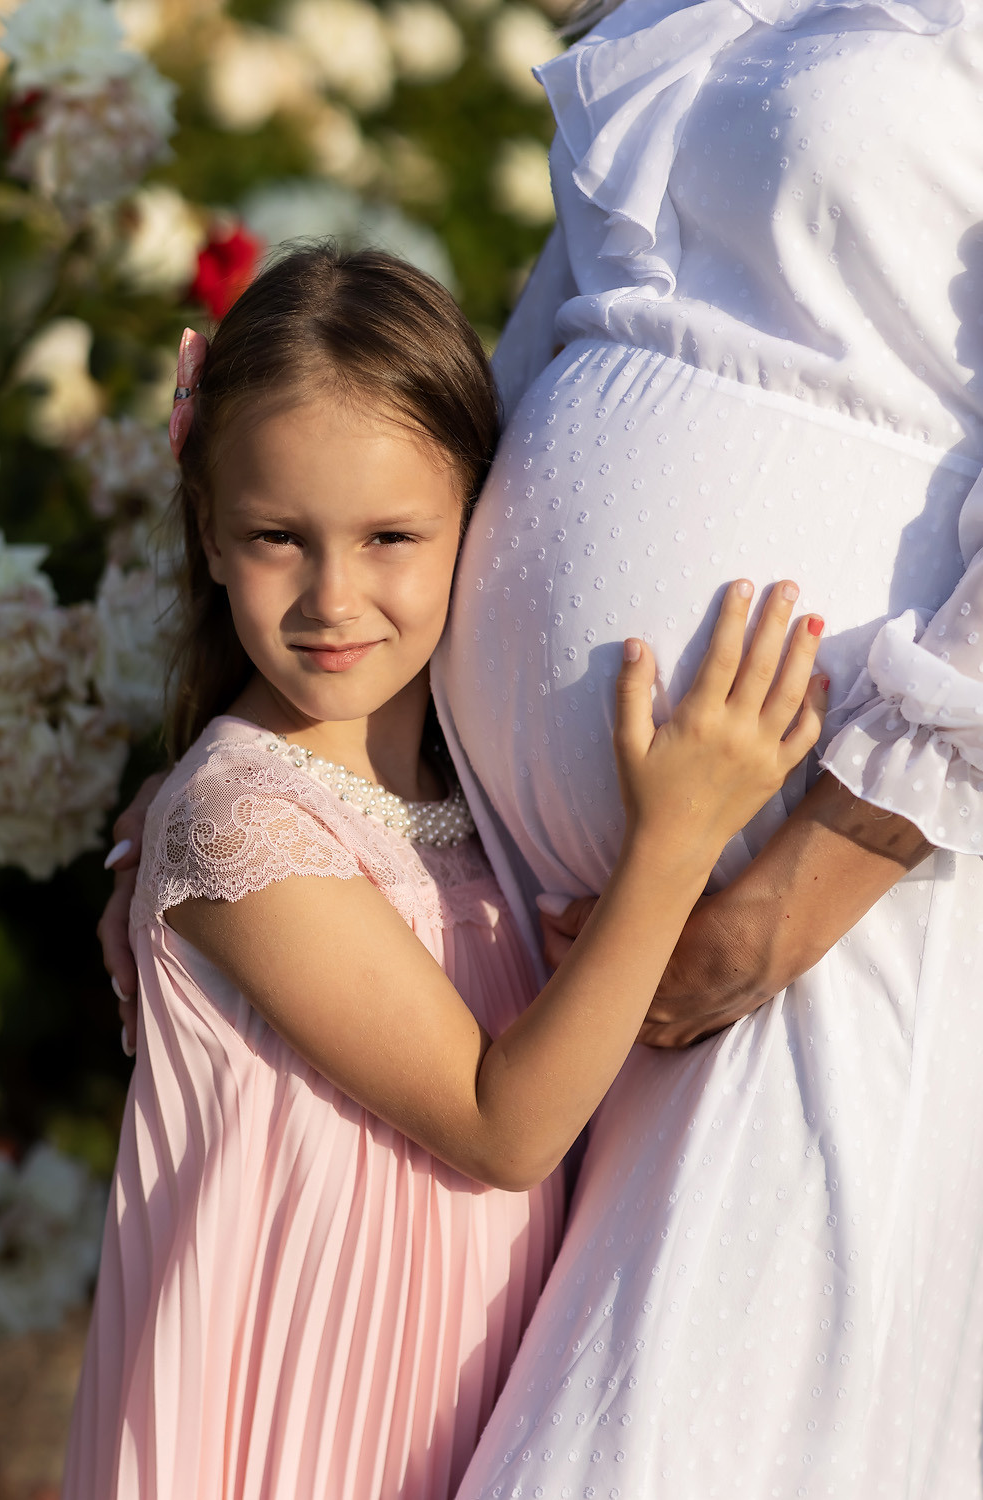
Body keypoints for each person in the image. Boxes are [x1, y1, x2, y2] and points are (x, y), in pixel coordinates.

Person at [68, 244, 825, 1500]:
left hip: (448, 1394)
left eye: (390, 536)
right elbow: (502, 1126)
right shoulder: (235, 821)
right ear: (206, 532)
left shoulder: (454, 796)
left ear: (480, 514)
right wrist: (674, 837)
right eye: (275, 537)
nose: (333, 595)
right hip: (302, 1423)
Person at [428, 0, 983, 1495]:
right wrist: (253, 775)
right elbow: (529, 386)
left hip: (838, 911)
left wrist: (802, 884)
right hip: (545, 962)